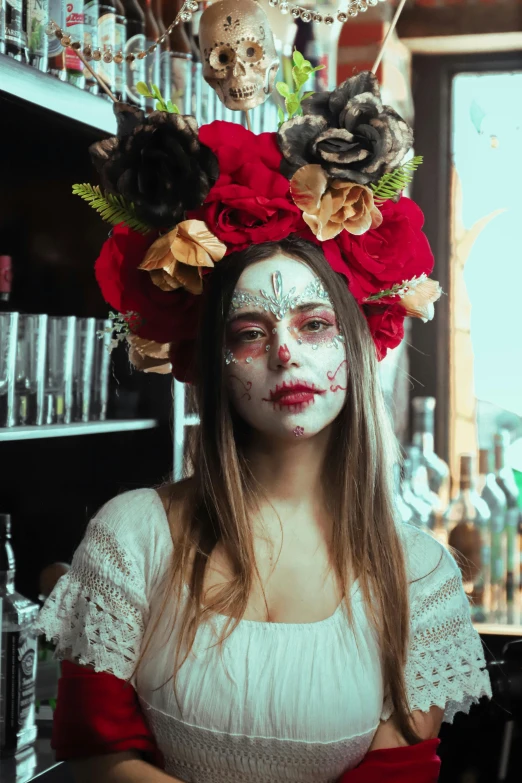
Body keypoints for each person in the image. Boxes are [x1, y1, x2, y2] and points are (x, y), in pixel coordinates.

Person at [36, 64, 492, 783]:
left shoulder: (419, 578)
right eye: (250, 332)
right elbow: (95, 755)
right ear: (214, 360)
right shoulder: (132, 539)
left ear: (356, 341)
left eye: (314, 324)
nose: (285, 351)